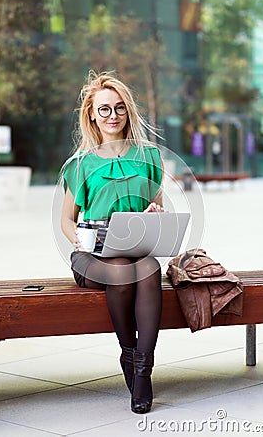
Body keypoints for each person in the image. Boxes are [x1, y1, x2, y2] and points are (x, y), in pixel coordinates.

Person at [60, 71, 165, 414]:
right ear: (91, 113)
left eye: (119, 108)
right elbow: (66, 218)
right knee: (120, 271)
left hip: (135, 247)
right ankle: (128, 350)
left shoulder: (149, 157)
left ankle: (141, 369)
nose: (113, 115)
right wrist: (78, 238)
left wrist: (153, 211)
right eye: (104, 109)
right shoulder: (81, 164)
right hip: (93, 254)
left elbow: (158, 205)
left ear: (128, 112)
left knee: (149, 269)